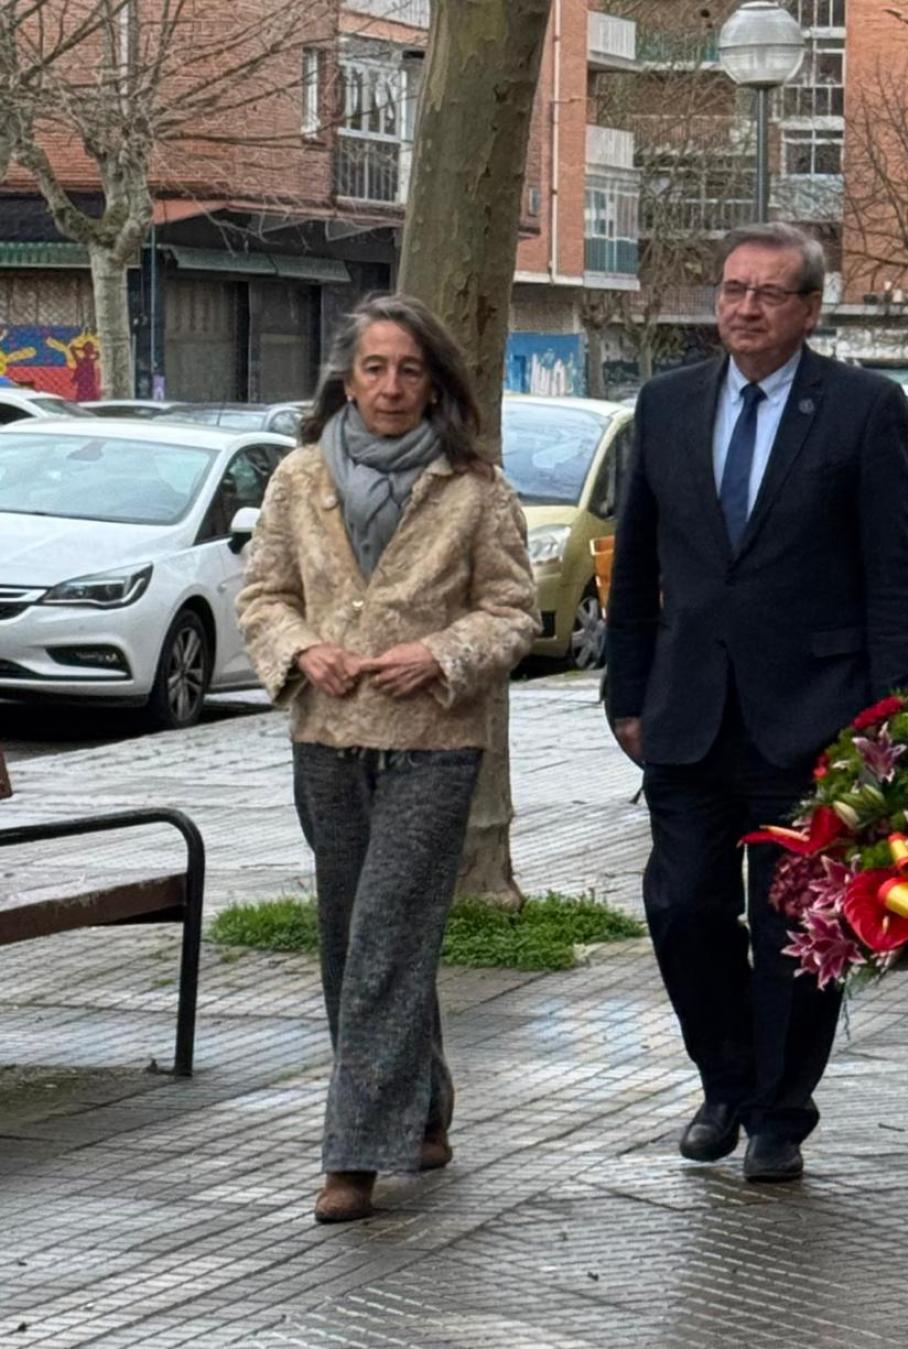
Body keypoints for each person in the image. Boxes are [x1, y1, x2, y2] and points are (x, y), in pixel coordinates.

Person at [605, 222, 908, 1184]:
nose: (744, 308)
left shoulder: (864, 409)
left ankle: (779, 1112)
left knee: (797, 923)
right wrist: (626, 695)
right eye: (732, 289)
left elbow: (891, 577)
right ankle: (727, 1081)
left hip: (815, 716)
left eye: (769, 293)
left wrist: (889, 718)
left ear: (810, 309)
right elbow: (636, 568)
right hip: (688, 712)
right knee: (679, 905)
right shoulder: (663, 406)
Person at [237, 294, 539, 1224]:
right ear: (346, 377)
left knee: (385, 938)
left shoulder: (473, 486)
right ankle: (426, 1106)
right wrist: (298, 652)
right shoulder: (296, 478)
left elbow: (514, 610)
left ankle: (354, 1155)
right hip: (327, 739)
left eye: (410, 370)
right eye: (374, 368)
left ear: (434, 381)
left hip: (435, 747)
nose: (391, 387)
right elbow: (260, 594)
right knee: (350, 937)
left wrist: (441, 655)